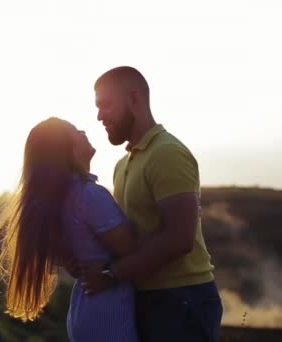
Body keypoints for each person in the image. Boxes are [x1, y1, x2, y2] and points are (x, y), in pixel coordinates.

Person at [79, 66, 223, 341]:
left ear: (133, 99)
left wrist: (111, 275)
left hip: (181, 298)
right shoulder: (123, 164)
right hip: (144, 297)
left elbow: (180, 238)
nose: (99, 116)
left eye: (106, 105)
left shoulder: (167, 153)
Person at [0, 117, 139, 341]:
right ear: (66, 149)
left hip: (86, 309)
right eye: (75, 131)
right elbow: (135, 252)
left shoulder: (59, 198)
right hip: (108, 312)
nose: (83, 130)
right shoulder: (89, 195)